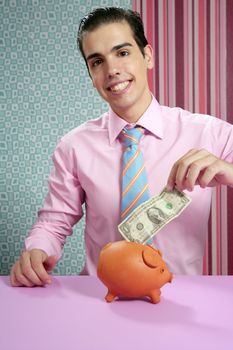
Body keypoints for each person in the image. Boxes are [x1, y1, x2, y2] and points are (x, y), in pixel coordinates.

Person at [10, 7, 233, 287]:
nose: (112, 70)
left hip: (181, 296)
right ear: (91, 75)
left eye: (123, 53)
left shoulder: (209, 133)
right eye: (97, 62)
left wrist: (229, 171)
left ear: (147, 56)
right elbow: (54, 222)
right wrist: (37, 250)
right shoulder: (74, 146)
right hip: (102, 296)